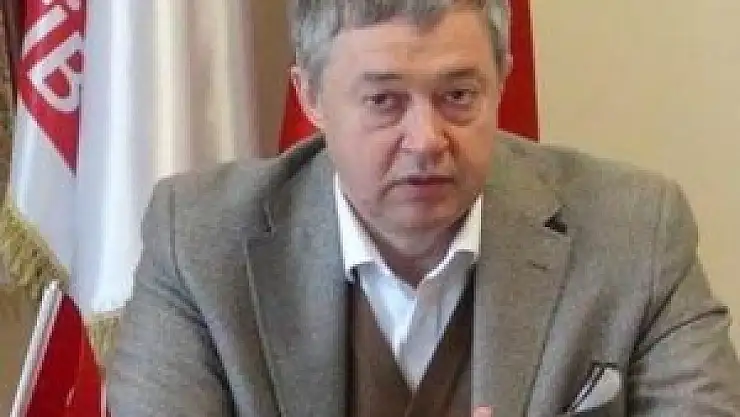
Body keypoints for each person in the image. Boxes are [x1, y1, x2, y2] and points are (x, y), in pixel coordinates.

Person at [107, 0, 740, 415]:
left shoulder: (635, 232)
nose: (427, 140)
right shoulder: (200, 241)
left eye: (458, 96)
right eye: (384, 101)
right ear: (311, 98)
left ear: (502, 79)